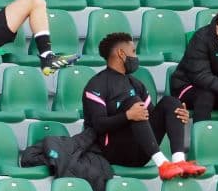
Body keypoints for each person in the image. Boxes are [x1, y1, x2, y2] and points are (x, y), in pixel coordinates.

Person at [84, 33, 206, 180]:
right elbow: (97, 124)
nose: (136, 57)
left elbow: (151, 119)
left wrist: (177, 116)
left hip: (141, 153)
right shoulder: (97, 84)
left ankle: (179, 161)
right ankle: (162, 164)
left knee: (171, 103)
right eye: (133, 52)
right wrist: (127, 116)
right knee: (133, 103)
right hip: (112, 153)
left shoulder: (136, 83)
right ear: (121, 54)